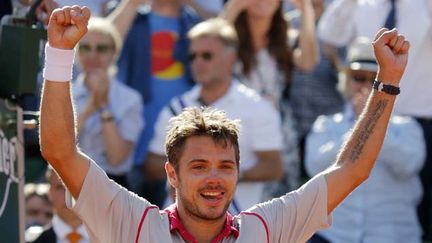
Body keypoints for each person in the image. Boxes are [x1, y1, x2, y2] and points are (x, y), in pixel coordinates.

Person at [39, 5, 411, 242]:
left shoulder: (265, 228)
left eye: (226, 167)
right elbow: (59, 151)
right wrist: (58, 54)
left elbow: (352, 167)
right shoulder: (132, 222)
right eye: (199, 166)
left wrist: (388, 81)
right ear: (172, 174)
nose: (215, 178)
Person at [317, 0, 432, 239]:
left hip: (415, 121)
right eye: (359, 77)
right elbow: (329, 34)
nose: (364, 82)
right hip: (363, 113)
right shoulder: (362, 5)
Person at [147, 18, 284, 213]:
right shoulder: (175, 107)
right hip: (177, 225)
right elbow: (151, 164)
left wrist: (218, 175)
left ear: (231, 59)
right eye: (193, 57)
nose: (198, 62)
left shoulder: (257, 106)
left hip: (237, 225)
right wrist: (192, 170)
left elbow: (273, 167)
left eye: (207, 56)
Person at [107, 0, 201, 205]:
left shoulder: (194, 20)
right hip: (135, 147)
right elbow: (103, 43)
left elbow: (225, 41)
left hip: (185, 147)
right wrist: (131, 4)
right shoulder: (133, 17)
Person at [73, 17, 143, 189]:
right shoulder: (65, 93)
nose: (92, 55)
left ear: (115, 53)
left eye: (101, 49)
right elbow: (58, 147)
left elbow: (117, 157)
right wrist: (89, 109)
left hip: (112, 184)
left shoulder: (130, 99)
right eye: (85, 47)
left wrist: (104, 105)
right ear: (77, 53)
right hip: (70, 180)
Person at [27, 167, 90, 243]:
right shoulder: (32, 241)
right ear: (50, 193)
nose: (68, 195)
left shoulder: (107, 237)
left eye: (75, 186)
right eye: (61, 187)